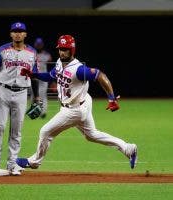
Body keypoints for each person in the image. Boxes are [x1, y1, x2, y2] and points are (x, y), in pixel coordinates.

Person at [16, 34, 137, 170]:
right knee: (92, 135)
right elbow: (50, 76)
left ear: (72, 50)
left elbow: (100, 75)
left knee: (45, 132)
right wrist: (33, 74)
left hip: (73, 110)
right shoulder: (59, 62)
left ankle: (34, 162)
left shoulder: (78, 69)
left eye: (65, 49)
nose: (62, 52)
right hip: (81, 104)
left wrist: (111, 98)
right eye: (60, 48)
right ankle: (128, 148)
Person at [0, 22, 40, 175]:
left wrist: (37, 97)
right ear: (10, 34)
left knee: (17, 130)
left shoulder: (32, 52)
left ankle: (12, 164)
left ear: (25, 34)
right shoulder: (2, 50)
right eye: (15, 31)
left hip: (22, 93)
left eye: (21, 31)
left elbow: (34, 77)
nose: (18, 34)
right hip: (3, 91)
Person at [32, 37, 52, 118]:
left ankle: (43, 112)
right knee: (33, 95)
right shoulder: (32, 53)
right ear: (35, 45)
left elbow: (50, 61)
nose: (39, 46)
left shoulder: (46, 55)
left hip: (43, 78)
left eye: (40, 44)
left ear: (42, 45)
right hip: (34, 77)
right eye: (37, 44)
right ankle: (34, 111)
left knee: (42, 94)